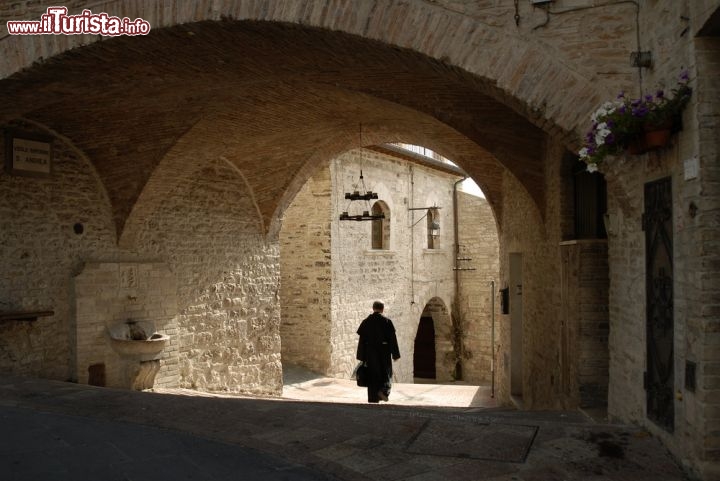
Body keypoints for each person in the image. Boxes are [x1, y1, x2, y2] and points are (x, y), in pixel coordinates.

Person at [356, 300, 401, 403]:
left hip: (370, 353)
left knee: (372, 376)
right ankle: (383, 392)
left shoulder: (366, 322)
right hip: (383, 352)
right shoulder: (387, 322)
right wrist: (395, 355)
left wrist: (361, 357)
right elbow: (392, 339)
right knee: (386, 373)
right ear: (382, 309)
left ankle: (372, 399)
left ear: (373, 308)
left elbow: (362, 341)